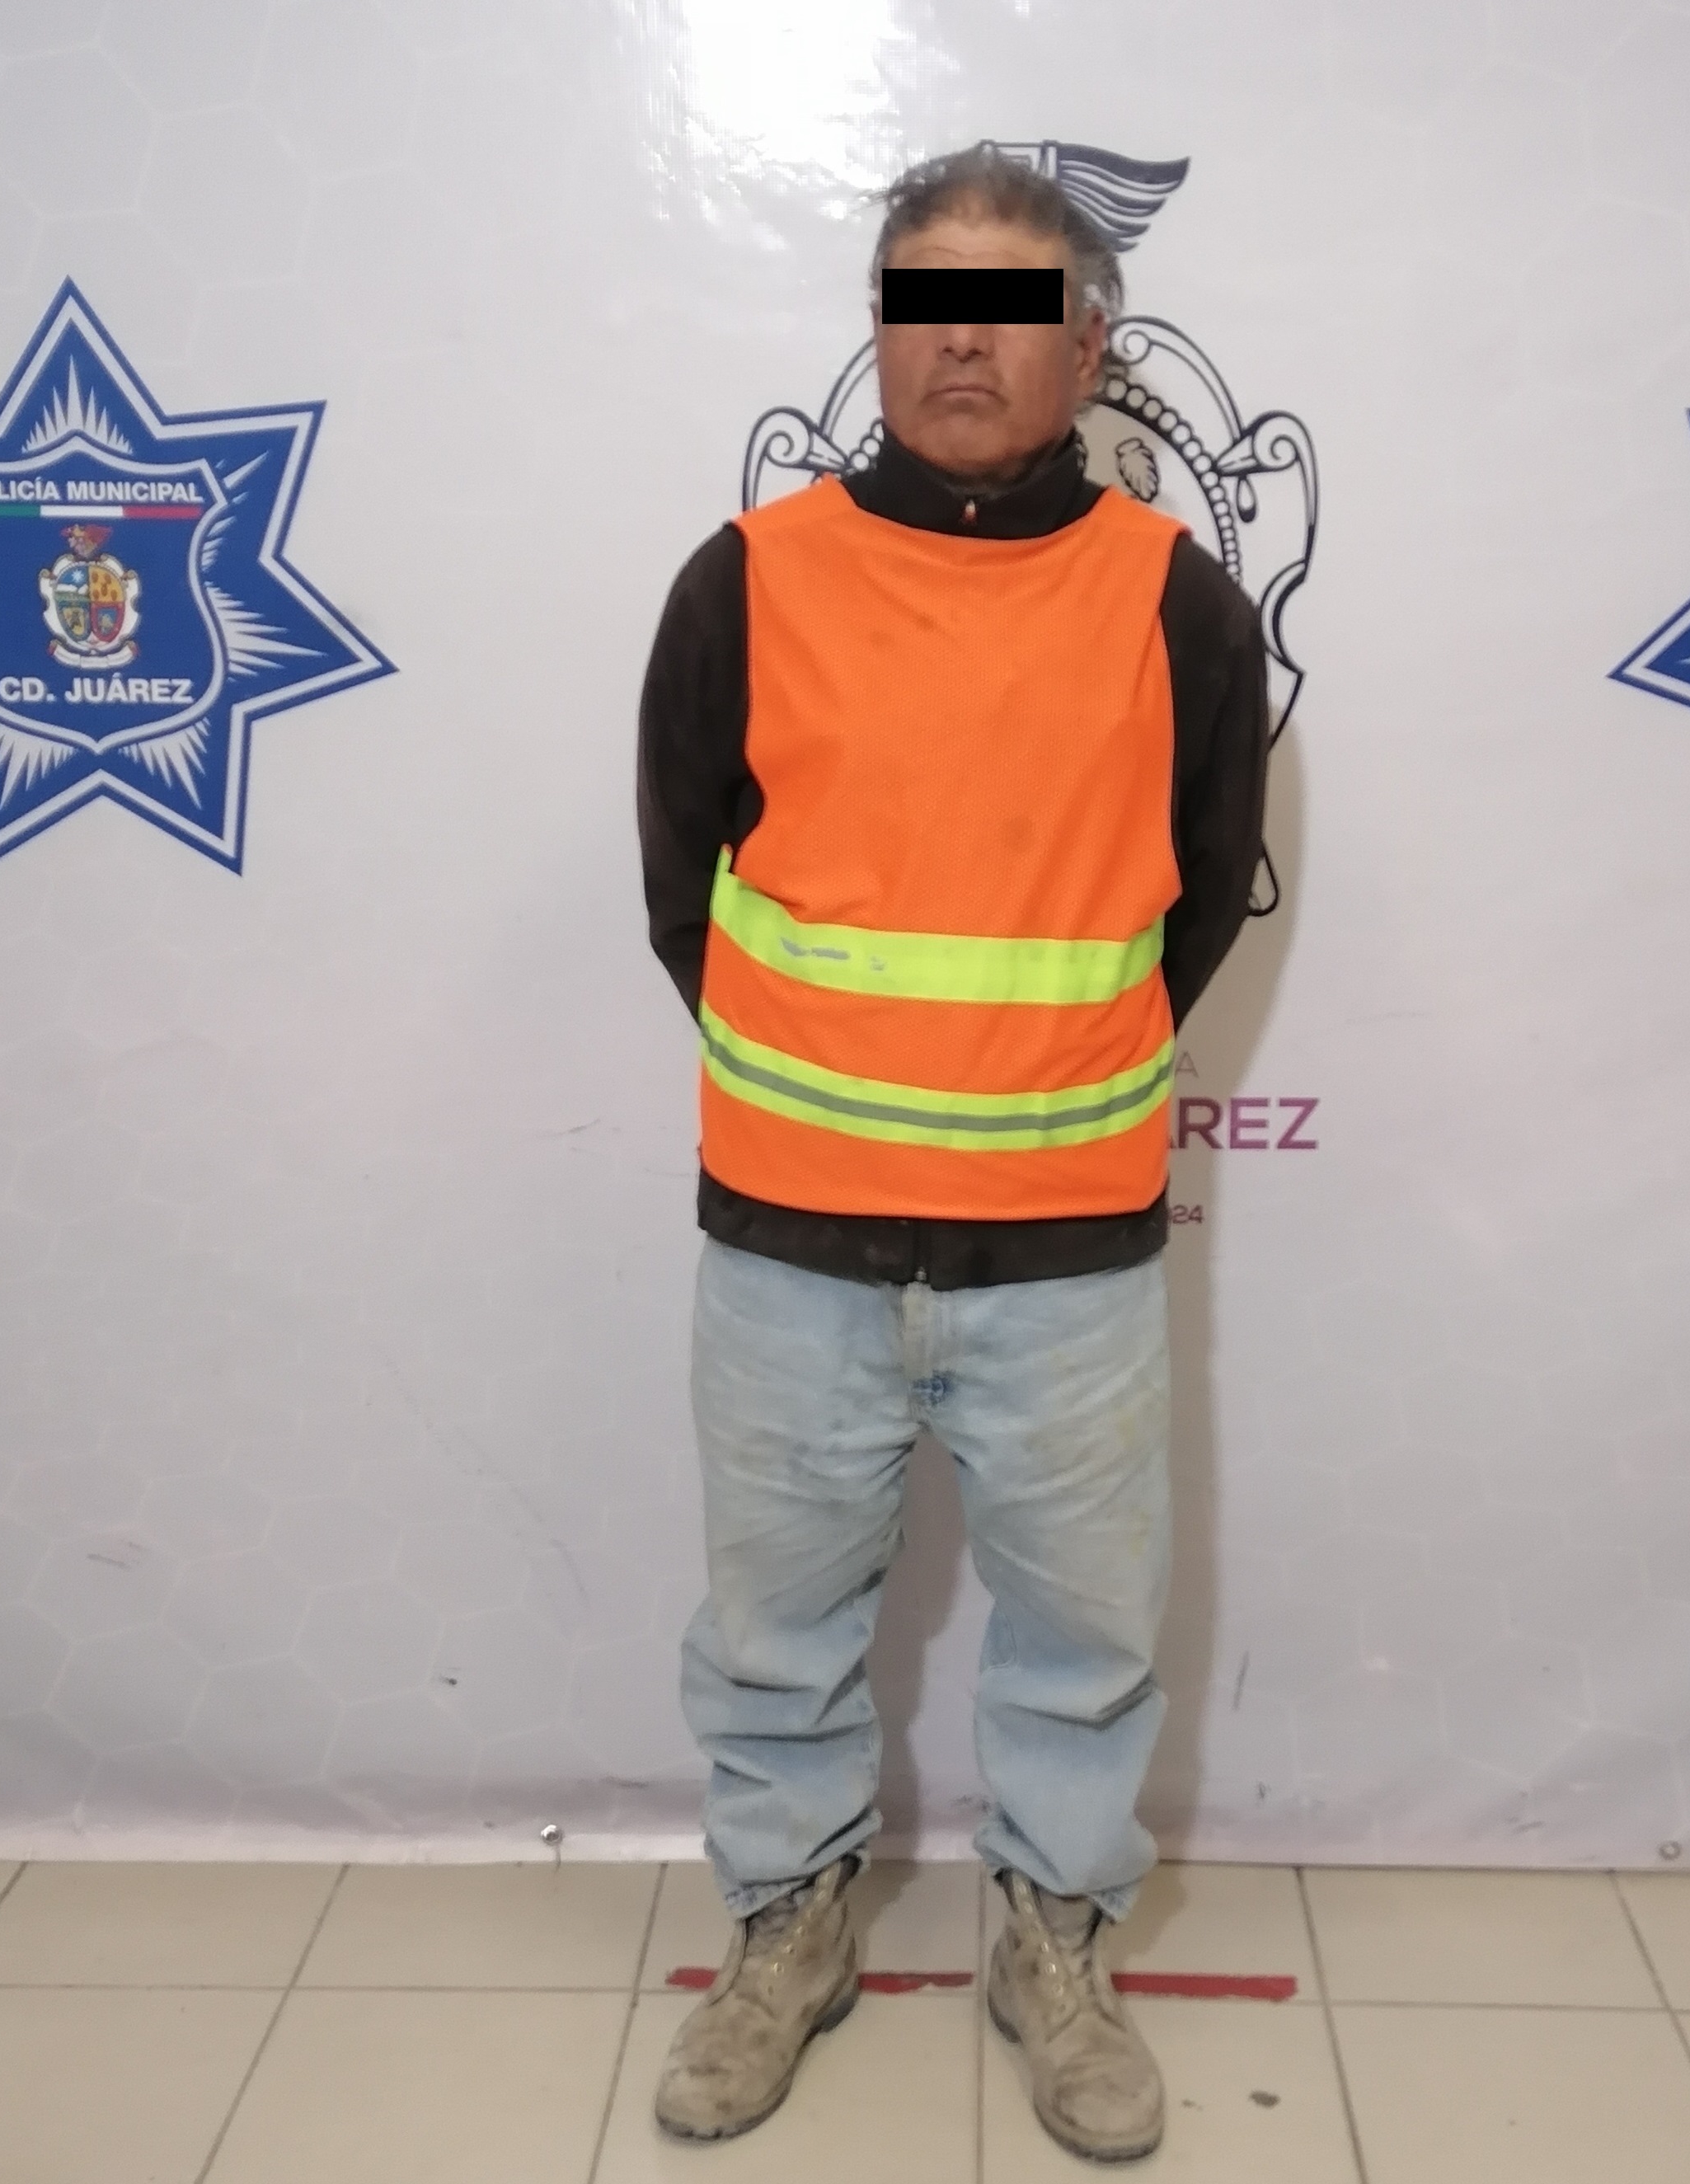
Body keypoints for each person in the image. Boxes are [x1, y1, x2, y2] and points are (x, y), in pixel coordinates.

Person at [634, 143, 1270, 2163]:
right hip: (789, 1246)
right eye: (923, 303)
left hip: (1066, 1251)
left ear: (1093, 345)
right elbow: (681, 888)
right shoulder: (748, 579)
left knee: (1086, 1643)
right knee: (770, 1634)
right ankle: (789, 1922)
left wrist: (1033, 1083)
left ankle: (1051, 1941)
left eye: (1007, 306)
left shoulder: (1179, 604)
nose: (962, 344)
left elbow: (1197, 902)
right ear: (879, 334)